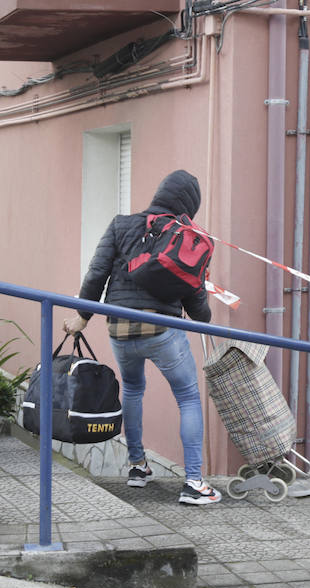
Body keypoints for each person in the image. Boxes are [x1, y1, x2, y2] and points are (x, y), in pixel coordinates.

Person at [62, 169, 221, 506]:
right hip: (163, 330)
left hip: (119, 327)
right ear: (189, 205)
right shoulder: (185, 236)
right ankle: (194, 483)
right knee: (188, 397)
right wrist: (205, 302)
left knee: (133, 389)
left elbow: (96, 274)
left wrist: (82, 318)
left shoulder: (120, 224)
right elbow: (198, 311)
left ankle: (136, 467)